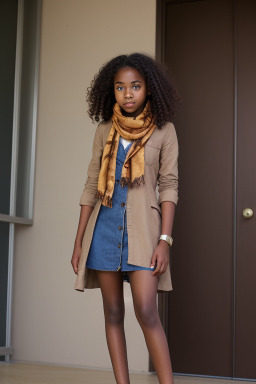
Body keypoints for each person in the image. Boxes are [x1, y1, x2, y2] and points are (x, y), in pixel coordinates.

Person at [71, 53, 180, 384]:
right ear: (111, 91)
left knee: (146, 311)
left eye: (135, 86)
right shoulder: (104, 130)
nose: (128, 94)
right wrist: (79, 241)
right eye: (120, 87)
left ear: (149, 89)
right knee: (113, 313)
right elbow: (92, 184)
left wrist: (165, 240)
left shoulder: (164, 131)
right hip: (103, 231)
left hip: (144, 234)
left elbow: (169, 186)